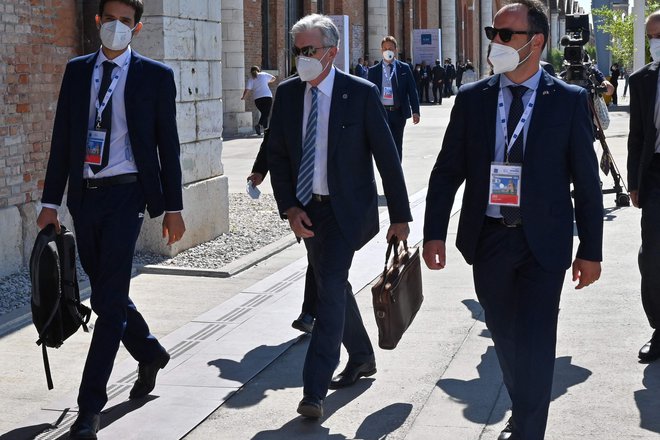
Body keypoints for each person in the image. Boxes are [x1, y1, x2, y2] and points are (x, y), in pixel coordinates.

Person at [422, 1, 603, 439]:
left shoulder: (569, 101)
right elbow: (447, 170)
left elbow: (587, 181)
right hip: (489, 240)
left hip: (544, 243)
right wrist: (434, 233)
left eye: (506, 35)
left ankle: (527, 430)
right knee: (505, 337)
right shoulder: (472, 100)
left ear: (535, 43)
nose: (494, 43)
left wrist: (591, 250)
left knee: (538, 345)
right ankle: (524, 412)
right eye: (492, 33)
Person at [35, 1, 186, 438]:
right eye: (110, 19)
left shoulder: (157, 77)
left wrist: (173, 207)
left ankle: (89, 408)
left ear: (136, 27)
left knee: (109, 301)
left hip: (127, 195)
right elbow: (63, 138)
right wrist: (51, 201)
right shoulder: (78, 70)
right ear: (98, 22)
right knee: (107, 296)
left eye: (127, 21)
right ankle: (150, 352)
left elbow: (168, 146)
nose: (117, 27)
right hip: (85, 198)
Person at [267, 13, 412, 419]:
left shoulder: (360, 93)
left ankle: (313, 391)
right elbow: (278, 153)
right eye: (297, 51)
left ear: (331, 52)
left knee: (328, 290)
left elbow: (388, 158)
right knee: (334, 285)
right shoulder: (289, 94)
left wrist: (400, 215)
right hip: (307, 211)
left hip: (345, 212)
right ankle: (363, 356)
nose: (301, 58)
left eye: (308, 50)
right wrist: (289, 208)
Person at [247, 130, 316, 334]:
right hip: (304, 193)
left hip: (338, 194)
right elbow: (274, 134)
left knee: (326, 263)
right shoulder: (289, 97)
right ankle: (311, 314)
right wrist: (260, 169)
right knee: (318, 257)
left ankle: (314, 314)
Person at [627, 10, 660, 364]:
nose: (655, 43)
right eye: (651, 36)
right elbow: (637, 136)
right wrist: (634, 182)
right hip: (656, 174)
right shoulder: (641, 80)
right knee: (652, 255)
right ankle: (659, 328)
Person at [367, 35, 421, 159]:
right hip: (382, 113)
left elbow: (412, 91)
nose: (387, 51)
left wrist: (416, 111)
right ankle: (387, 172)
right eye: (385, 49)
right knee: (383, 144)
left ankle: (397, 172)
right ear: (381, 50)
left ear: (395, 49)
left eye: (390, 48)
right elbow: (369, 95)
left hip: (398, 112)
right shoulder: (374, 71)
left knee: (397, 144)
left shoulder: (404, 68)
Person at [241, 65, 276, 135]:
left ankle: (266, 130)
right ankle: (259, 125)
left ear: (251, 72)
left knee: (264, 113)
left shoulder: (251, 79)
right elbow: (274, 78)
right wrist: (267, 82)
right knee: (266, 113)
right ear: (258, 70)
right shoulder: (263, 74)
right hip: (267, 96)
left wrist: (243, 97)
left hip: (257, 99)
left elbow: (247, 90)